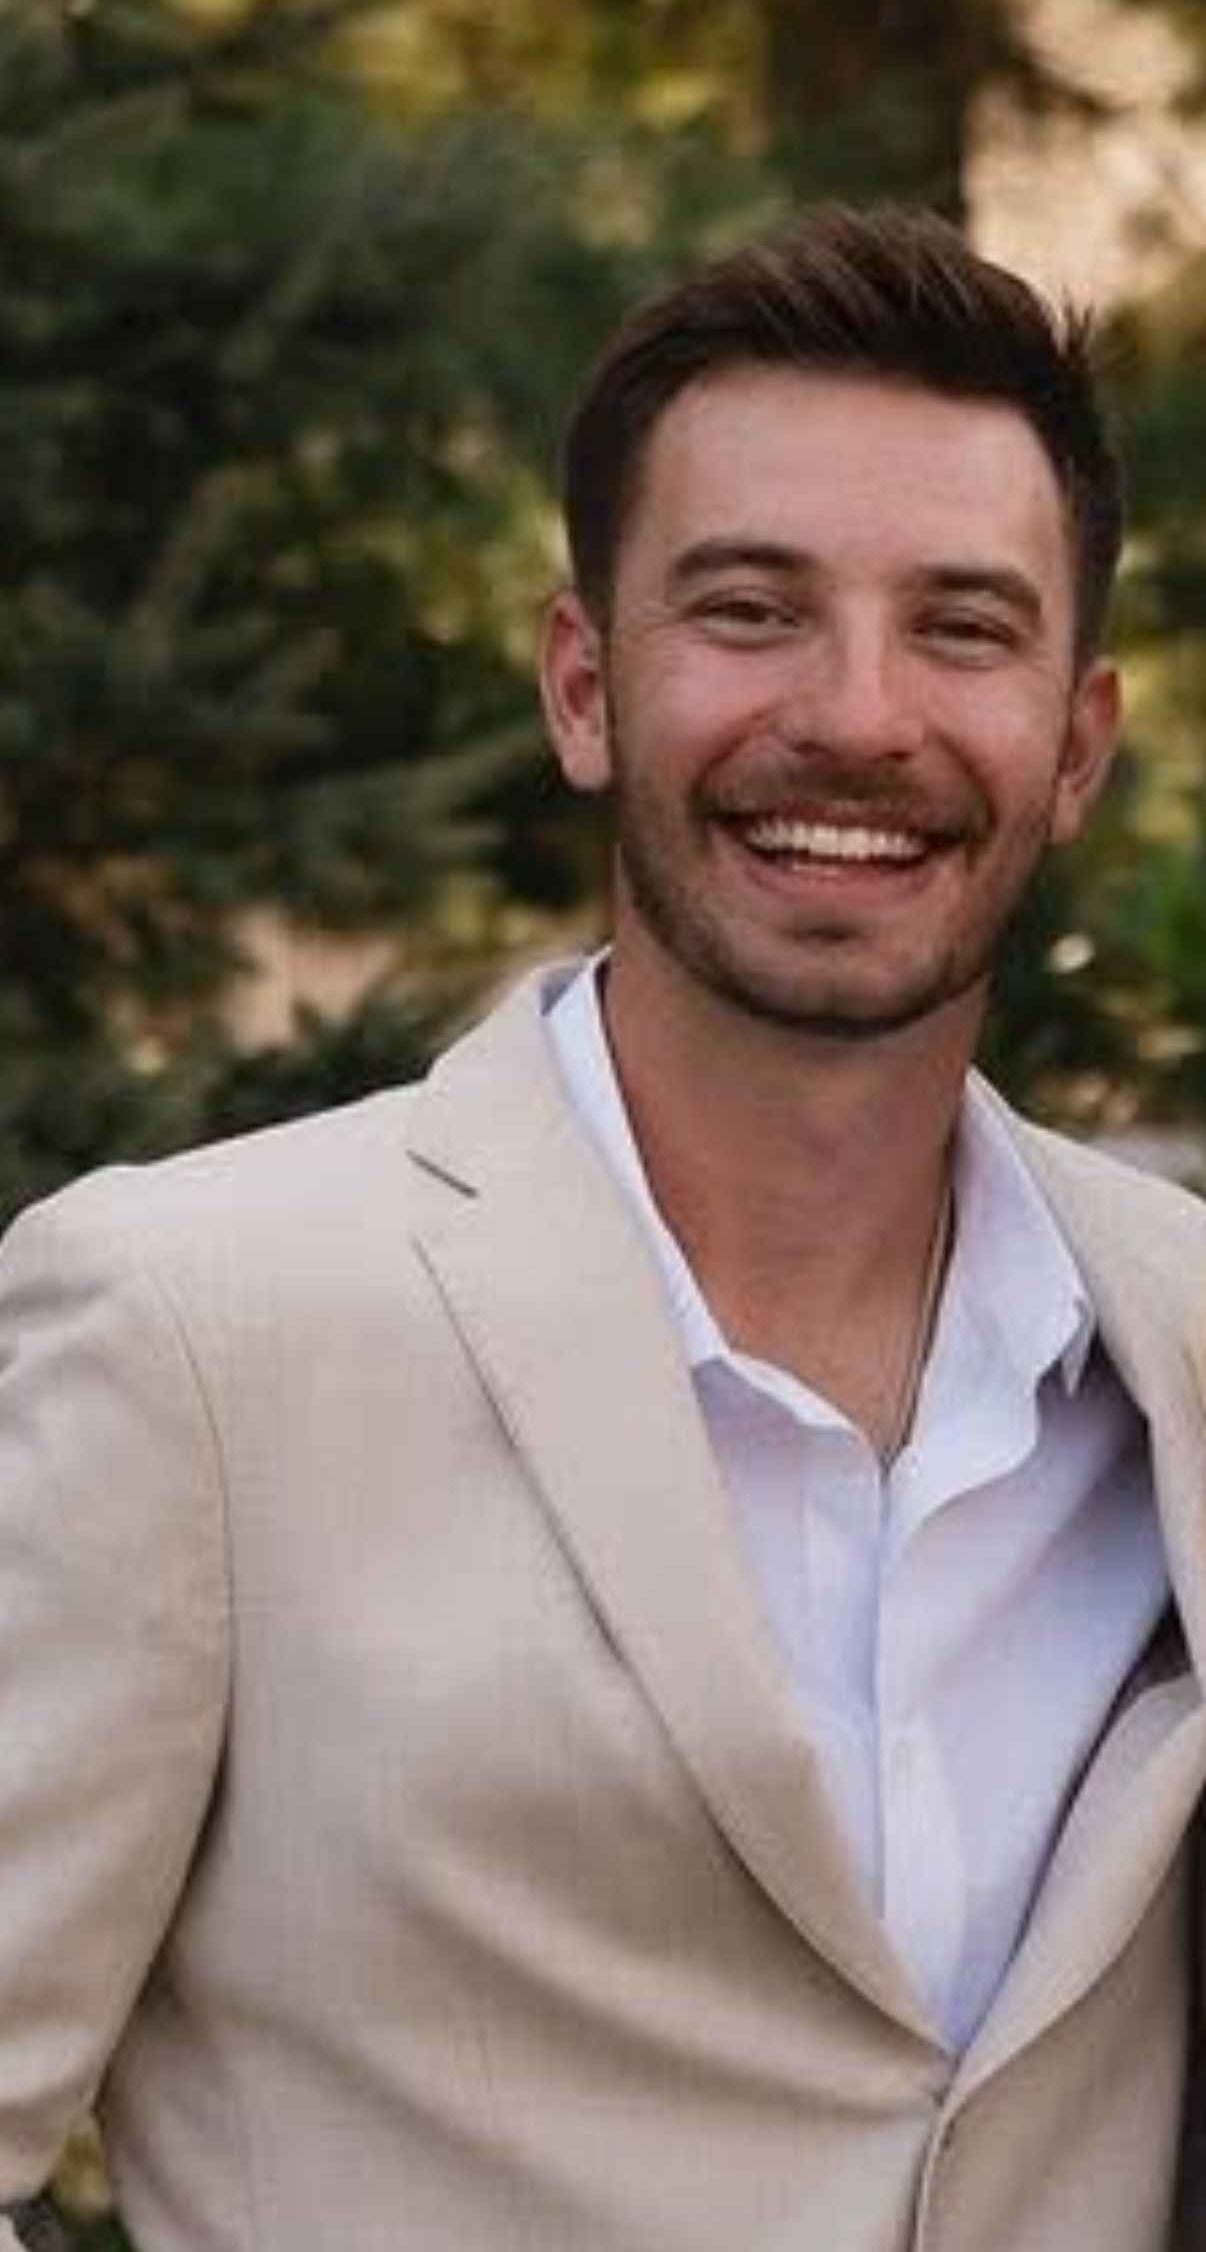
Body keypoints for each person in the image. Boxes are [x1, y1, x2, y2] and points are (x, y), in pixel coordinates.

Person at [0, 207, 1203, 2252]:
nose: (858, 714)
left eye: (962, 628)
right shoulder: (197, 1327)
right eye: (748, 609)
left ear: (1073, 744)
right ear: (584, 685)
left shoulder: (1179, 1341)